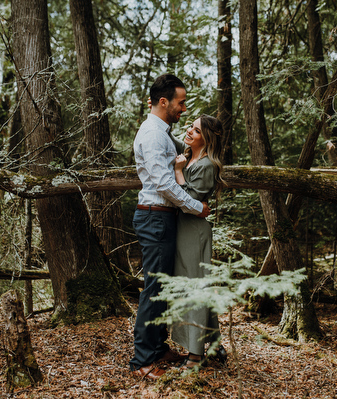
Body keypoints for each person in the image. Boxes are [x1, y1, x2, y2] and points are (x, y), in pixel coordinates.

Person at [130, 74, 210, 380]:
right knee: (154, 289)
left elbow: (178, 165)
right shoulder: (152, 134)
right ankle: (142, 362)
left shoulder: (163, 133)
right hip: (154, 217)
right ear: (163, 102)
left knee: (163, 288)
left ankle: (157, 349)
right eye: (181, 102)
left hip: (162, 217)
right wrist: (196, 206)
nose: (184, 109)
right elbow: (163, 184)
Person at [170, 115, 228, 369]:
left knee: (194, 289)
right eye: (190, 127)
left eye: (196, 129)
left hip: (194, 231)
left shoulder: (206, 164)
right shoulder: (189, 154)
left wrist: (179, 172)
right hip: (184, 230)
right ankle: (214, 344)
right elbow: (166, 135)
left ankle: (195, 356)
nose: (189, 132)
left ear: (207, 137)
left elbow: (190, 202)